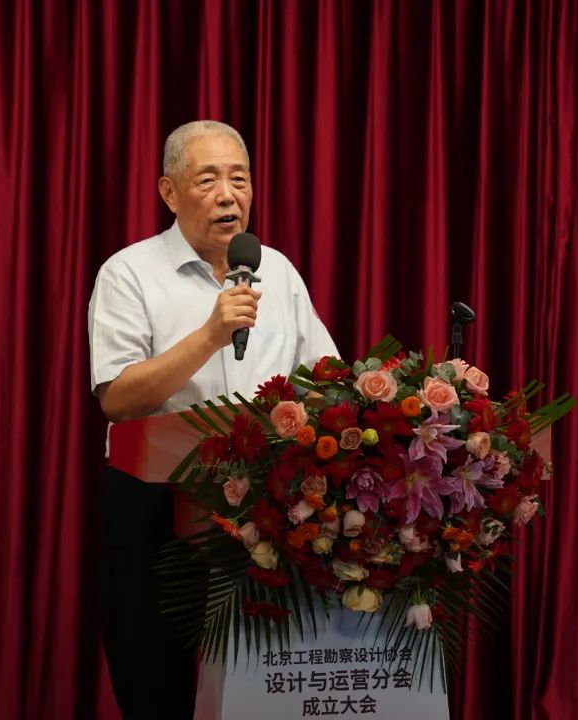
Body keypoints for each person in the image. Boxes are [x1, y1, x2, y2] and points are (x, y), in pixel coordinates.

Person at [87, 120, 338, 718]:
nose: (229, 195)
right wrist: (210, 335)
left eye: (239, 179)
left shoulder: (278, 271)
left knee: (260, 694)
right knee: (159, 688)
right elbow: (117, 399)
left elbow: (328, 381)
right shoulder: (129, 272)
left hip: (270, 510)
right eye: (208, 180)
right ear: (169, 192)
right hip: (158, 507)